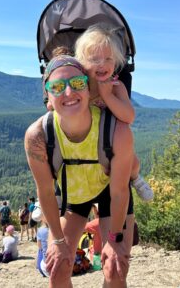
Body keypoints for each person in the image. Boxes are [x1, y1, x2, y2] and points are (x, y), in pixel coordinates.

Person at [25, 54, 135, 288]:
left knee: (115, 271)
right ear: (48, 99)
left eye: (77, 84)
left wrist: (114, 240)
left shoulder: (116, 130)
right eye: (57, 87)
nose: (68, 93)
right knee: (58, 269)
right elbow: (45, 191)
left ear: (88, 89)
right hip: (73, 194)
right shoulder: (38, 136)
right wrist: (58, 240)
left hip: (110, 192)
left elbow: (119, 191)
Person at [75, 23, 154, 201]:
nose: (102, 64)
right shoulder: (79, 86)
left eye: (108, 59)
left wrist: (107, 96)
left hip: (110, 141)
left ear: (117, 61)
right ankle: (52, 192)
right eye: (95, 60)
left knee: (132, 162)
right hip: (82, 142)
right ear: (82, 62)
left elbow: (129, 116)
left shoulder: (116, 87)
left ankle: (135, 178)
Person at [36, 212, 49, 277]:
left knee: (40, 250)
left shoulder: (40, 230)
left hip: (45, 268)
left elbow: (39, 246)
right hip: (60, 266)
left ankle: (38, 266)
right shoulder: (56, 230)